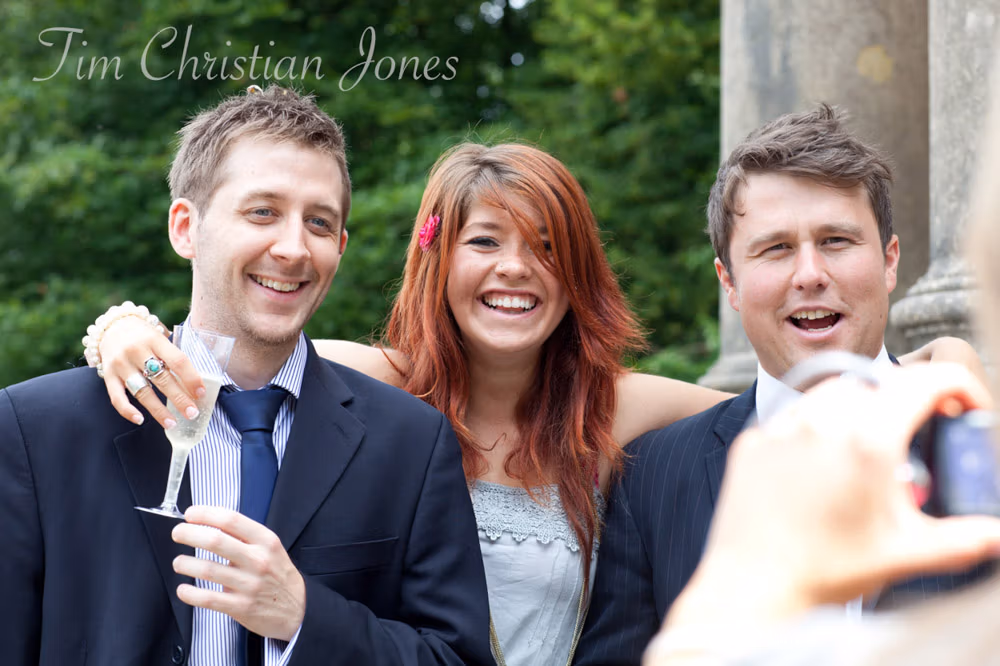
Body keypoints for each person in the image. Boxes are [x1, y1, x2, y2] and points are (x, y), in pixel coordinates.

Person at [92, 131, 979, 665]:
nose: (516, 270)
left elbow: (791, 386)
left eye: (545, 247)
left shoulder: (620, 415)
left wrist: (947, 358)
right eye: (485, 242)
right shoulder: (372, 388)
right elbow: (233, 354)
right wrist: (123, 330)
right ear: (440, 262)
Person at [0, 86, 493, 666]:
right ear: (185, 227)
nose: (293, 248)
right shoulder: (36, 430)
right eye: (262, 211)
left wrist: (307, 619)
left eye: (318, 222)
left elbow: (454, 658)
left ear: (340, 245)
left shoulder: (410, 443)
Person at [573, 103, 989, 666]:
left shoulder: (981, 449)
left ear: (890, 261)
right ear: (730, 282)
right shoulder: (650, 477)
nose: (810, 273)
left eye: (837, 240)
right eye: (776, 249)